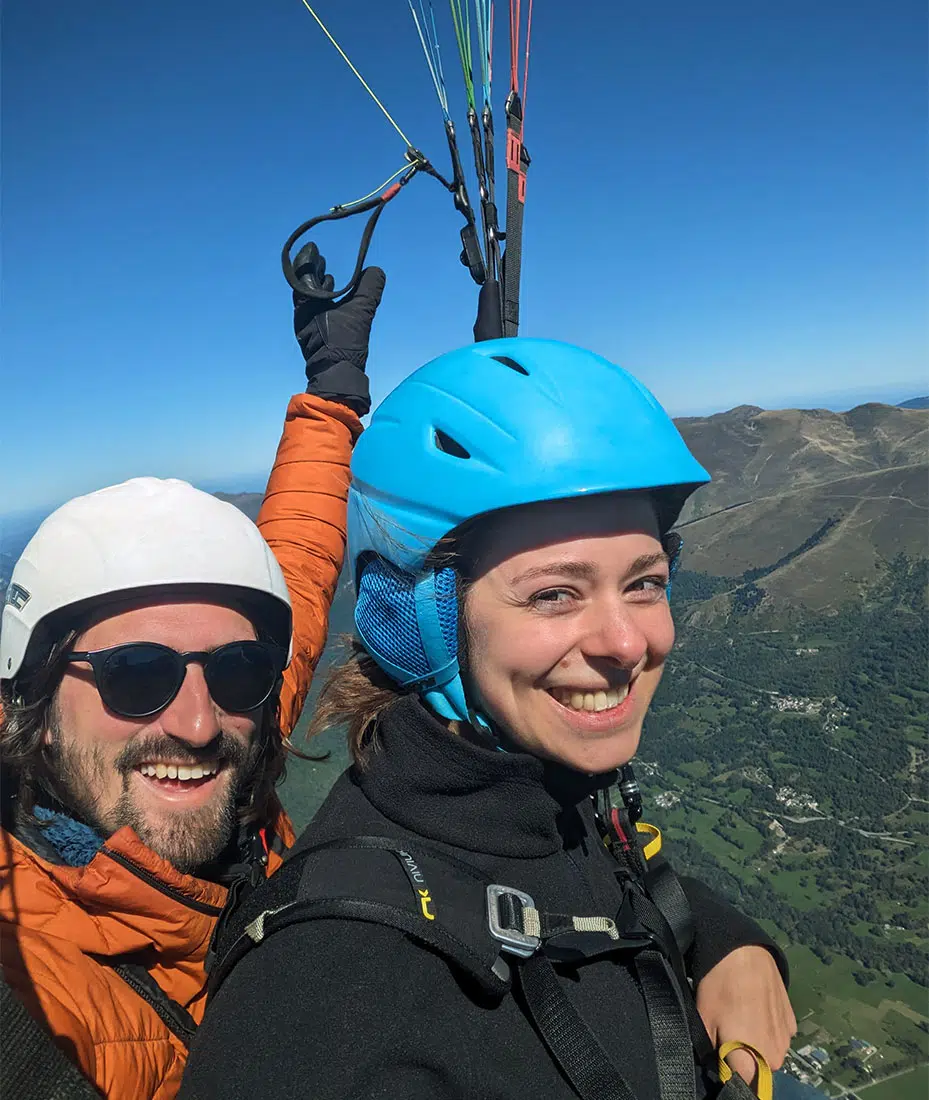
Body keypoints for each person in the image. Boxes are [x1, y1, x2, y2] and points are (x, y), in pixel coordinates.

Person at [181, 338, 797, 1100]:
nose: (627, 642)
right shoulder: (328, 1000)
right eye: (553, 594)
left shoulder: (538, 792)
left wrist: (723, 940)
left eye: (644, 582)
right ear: (416, 621)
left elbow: (595, 875)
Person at [0, 248, 385, 1099]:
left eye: (238, 668)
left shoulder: (237, 730)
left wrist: (333, 394)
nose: (198, 721)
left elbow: (301, 561)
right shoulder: (25, 959)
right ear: (36, 702)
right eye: (138, 674)